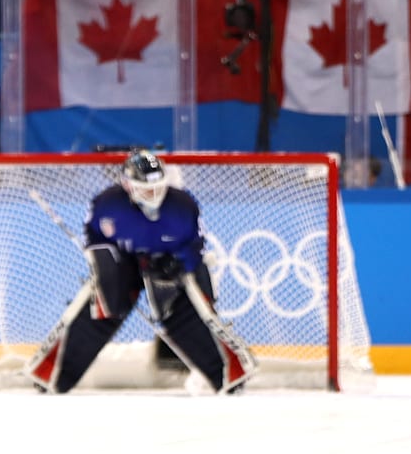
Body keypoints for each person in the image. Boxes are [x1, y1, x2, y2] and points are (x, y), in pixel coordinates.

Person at [25, 149, 255, 394]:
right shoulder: (106, 204)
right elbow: (95, 238)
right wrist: (105, 263)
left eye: (159, 188)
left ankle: (228, 374)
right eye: (146, 190)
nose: (154, 195)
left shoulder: (182, 205)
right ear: (128, 185)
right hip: (124, 263)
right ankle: (52, 374)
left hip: (169, 264)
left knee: (192, 313)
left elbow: (196, 246)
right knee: (102, 306)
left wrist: (179, 262)